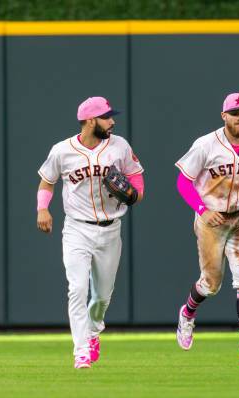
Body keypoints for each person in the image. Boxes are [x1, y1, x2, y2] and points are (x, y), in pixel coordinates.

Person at [36, 96, 145, 369]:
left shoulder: (119, 145)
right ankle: (81, 350)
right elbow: (46, 181)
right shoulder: (62, 150)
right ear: (89, 120)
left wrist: (135, 194)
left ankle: (94, 331)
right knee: (77, 289)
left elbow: (136, 177)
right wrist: (42, 209)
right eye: (107, 117)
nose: (112, 121)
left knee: (101, 297)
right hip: (77, 229)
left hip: (110, 230)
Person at [175, 93, 239, 368]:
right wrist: (203, 210)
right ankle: (188, 312)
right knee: (211, 284)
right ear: (224, 116)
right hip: (211, 220)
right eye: (234, 112)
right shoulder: (206, 144)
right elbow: (184, 182)